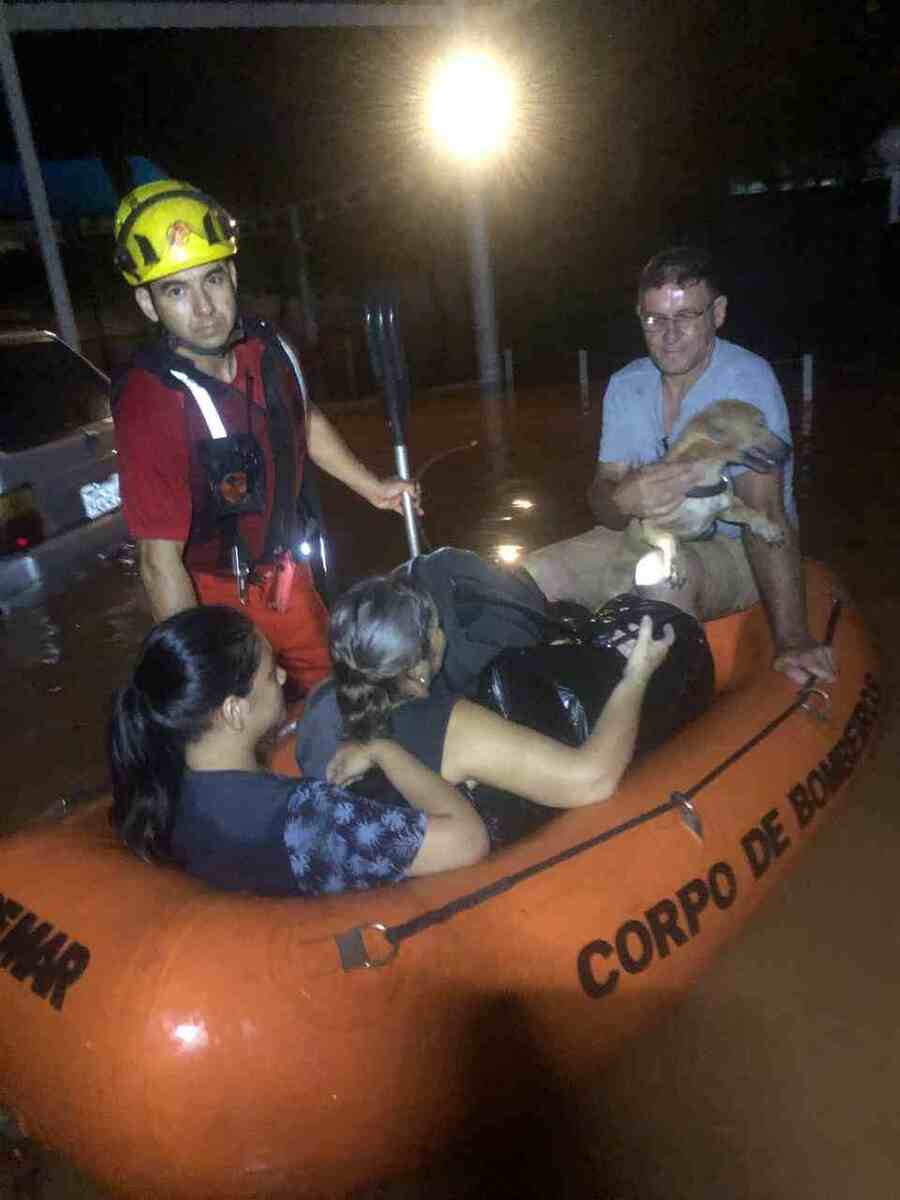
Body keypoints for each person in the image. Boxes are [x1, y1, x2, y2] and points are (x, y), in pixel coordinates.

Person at [111, 178, 418, 697]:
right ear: (148, 304)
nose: (203, 308)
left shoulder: (269, 350)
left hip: (285, 576)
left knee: (333, 696)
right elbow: (157, 563)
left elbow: (304, 420)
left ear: (231, 275)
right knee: (243, 718)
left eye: (212, 280)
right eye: (176, 290)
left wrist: (373, 488)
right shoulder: (151, 404)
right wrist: (204, 669)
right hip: (212, 593)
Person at [523, 246, 835, 686]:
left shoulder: (746, 382)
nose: (670, 334)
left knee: (659, 579)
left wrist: (793, 640)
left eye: (686, 315)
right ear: (639, 316)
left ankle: (676, 722)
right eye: (655, 318)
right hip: (644, 534)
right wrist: (623, 497)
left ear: (718, 313)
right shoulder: (627, 384)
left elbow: (764, 516)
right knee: (532, 577)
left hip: (733, 546)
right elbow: (603, 504)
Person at [107, 606, 488, 896]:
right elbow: (469, 841)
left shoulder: (162, 788)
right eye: (272, 673)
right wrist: (383, 749)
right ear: (234, 710)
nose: (285, 677)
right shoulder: (301, 817)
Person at [322, 575, 674, 820]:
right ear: (417, 666)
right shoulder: (444, 725)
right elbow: (591, 780)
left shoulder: (350, 719)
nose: (442, 632)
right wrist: (636, 675)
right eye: (436, 627)